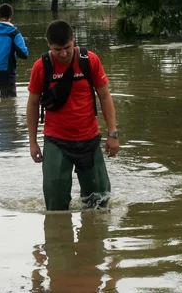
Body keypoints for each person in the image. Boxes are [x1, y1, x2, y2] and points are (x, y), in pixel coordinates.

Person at [26, 20, 119, 211]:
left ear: (74, 40)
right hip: (56, 141)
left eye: (67, 47)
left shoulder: (89, 60)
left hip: (89, 140)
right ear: (48, 45)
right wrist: (32, 141)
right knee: (55, 206)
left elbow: (105, 96)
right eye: (57, 49)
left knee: (99, 205)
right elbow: (33, 103)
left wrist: (113, 133)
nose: (63, 54)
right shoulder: (41, 67)